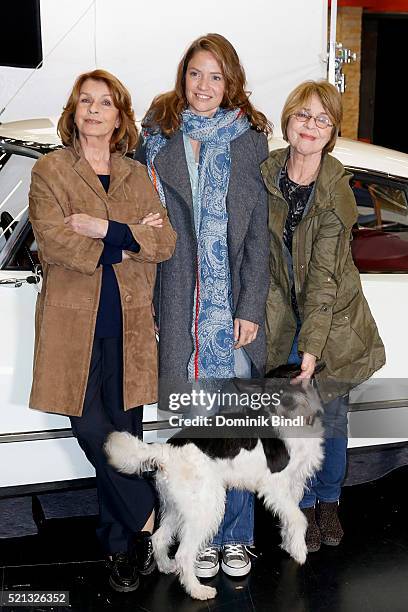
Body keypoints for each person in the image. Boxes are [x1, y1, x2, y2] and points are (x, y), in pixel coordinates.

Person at [28, 69, 176, 592]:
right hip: (74, 327)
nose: (94, 110)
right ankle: (148, 515)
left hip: (132, 325)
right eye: (85, 101)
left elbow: (165, 244)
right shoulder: (51, 170)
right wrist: (129, 241)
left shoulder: (136, 175)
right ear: (74, 111)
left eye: (105, 102)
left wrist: (102, 228)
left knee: (127, 436)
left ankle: (121, 546)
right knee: (92, 430)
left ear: (120, 116)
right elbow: (53, 242)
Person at [134, 33, 271, 578]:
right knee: (189, 431)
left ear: (230, 80)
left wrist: (251, 307)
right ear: (182, 77)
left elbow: (257, 236)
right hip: (175, 302)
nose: (204, 86)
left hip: (230, 310)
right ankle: (198, 534)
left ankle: (237, 534)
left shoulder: (249, 141)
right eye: (196, 73)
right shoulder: (157, 139)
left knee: (235, 427)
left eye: (216, 75)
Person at [261, 80, 385, 552]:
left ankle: (327, 503)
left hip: (330, 321)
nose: (310, 126)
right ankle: (303, 502)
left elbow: (324, 279)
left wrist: (311, 349)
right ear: (288, 119)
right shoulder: (266, 172)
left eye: (322, 120)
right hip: (283, 319)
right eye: (303, 115)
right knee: (296, 423)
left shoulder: (336, 190)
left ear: (331, 132)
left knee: (329, 419)